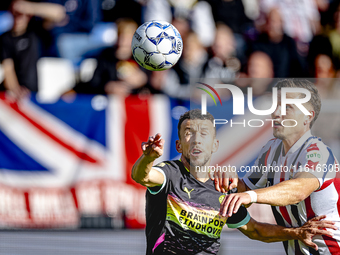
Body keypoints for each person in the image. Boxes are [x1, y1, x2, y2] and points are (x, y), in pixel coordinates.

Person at [131, 109, 336, 255]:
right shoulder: (169, 173)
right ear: (179, 144)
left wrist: (296, 233)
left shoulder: (223, 190)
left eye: (204, 134)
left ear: (214, 145)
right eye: (188, 133)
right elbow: (142, 176)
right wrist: (148, 158)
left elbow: (255, 230)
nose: (196, 139)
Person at [217, 79, 340, 254]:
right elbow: (245, 192)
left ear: (308, 116)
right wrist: (232, 181)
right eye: (276, 106)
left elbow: (298, 190)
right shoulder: (271, 150)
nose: (276, 113)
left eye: (287, 107)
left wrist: (247, 196)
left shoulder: (319, 152)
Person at [0, 0, 65, 100]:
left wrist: (30, 7)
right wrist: (16, 91)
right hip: (16, 95)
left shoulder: (35, 32)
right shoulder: (5, 38)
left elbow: (59, 13)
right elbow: (8, 68)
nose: (18, 18)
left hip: (35, 94)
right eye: (15, 14)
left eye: (21, 14)